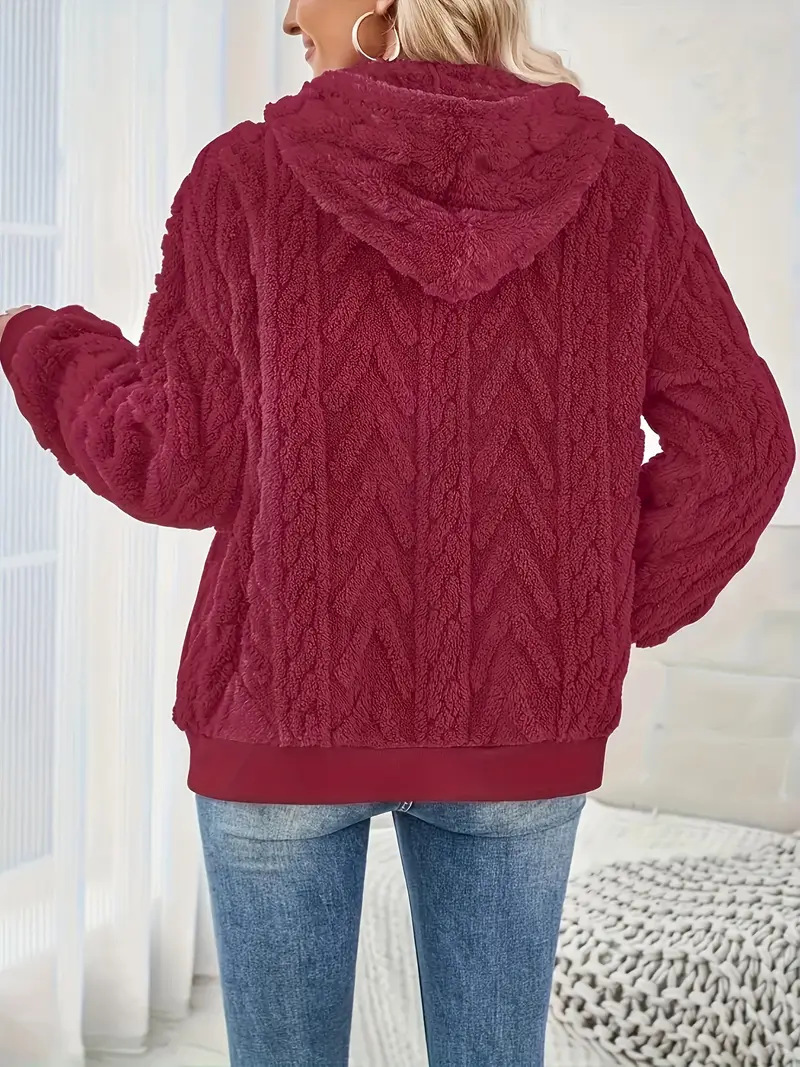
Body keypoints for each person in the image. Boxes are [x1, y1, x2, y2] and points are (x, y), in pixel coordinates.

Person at [1, 1, 794, 1064]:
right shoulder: (623, 184)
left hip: (279, 710)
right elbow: (740, 442)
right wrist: (582, 612)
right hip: (523, 719)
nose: (289, 13)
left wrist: (40, 341)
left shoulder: (244, 179)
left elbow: (172, 460)